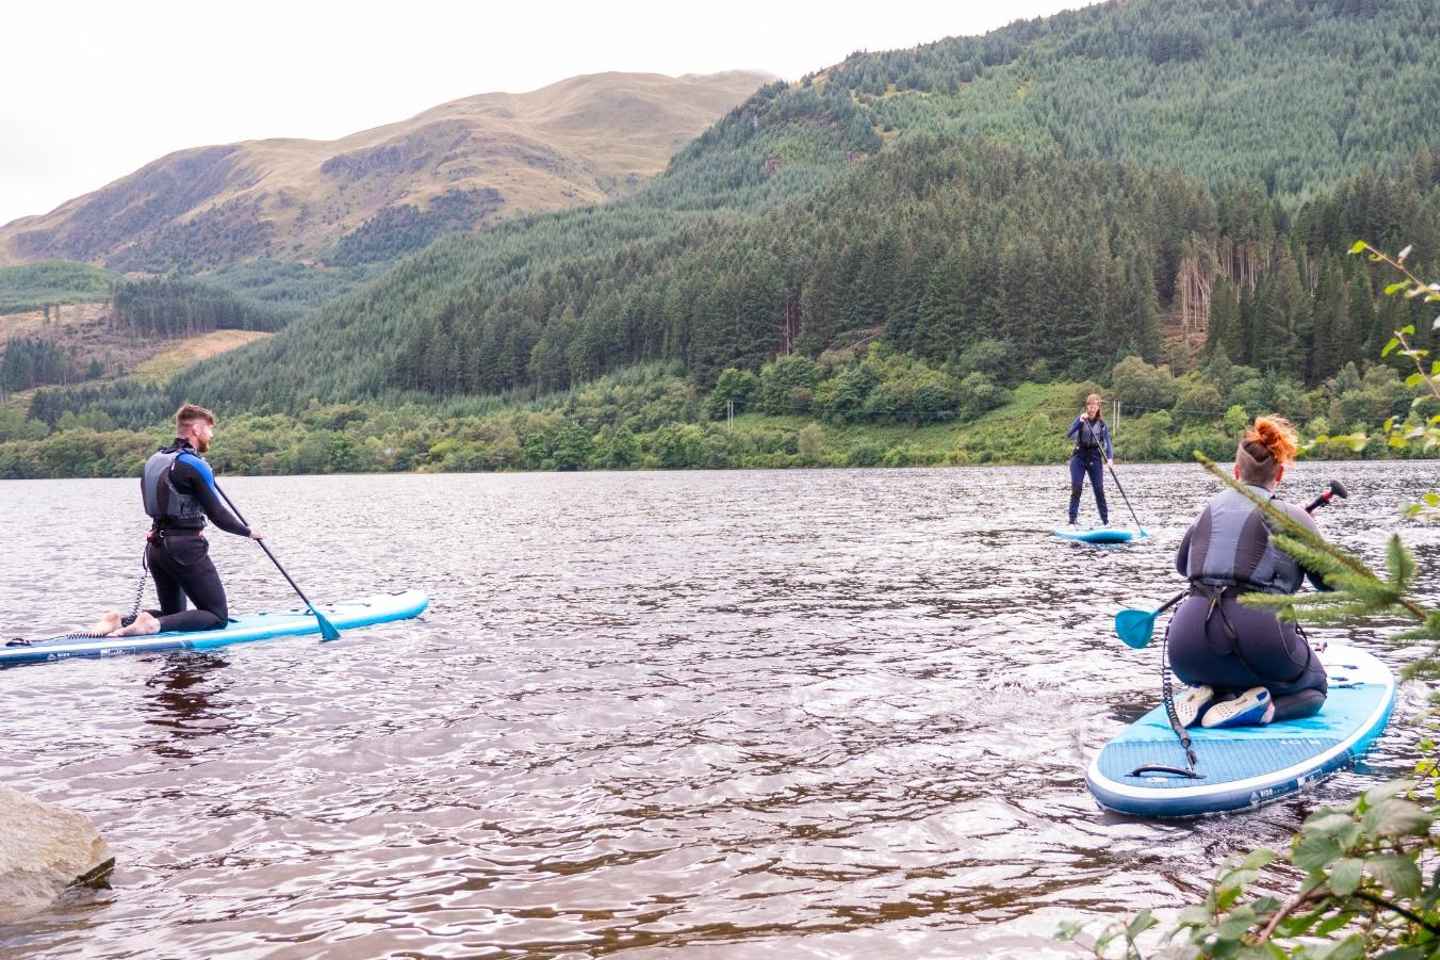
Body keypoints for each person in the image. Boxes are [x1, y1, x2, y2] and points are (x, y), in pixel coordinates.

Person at [1167, 416, 1328, 728]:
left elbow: (1181, 565)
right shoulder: (1294, 517)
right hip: (1259, 637)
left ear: (1236, 472)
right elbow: (1330, 584)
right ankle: (1264, 710)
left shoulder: (1208, 511)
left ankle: (1208, 693)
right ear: (1279, 474)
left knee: (1217, 670)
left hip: (1186, 647)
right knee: (1315, 687)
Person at [92, 404, 262, 638]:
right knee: (216, 616)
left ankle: (118, 620)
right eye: (209, 430)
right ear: (195, 429)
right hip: (185, 548)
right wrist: (248, 531)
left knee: (174, 613)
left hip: (156, 547)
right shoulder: (194, 464)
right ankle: (150, 625)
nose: (211, 435)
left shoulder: (154, 460)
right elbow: (218, 515)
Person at [1066, 393, 1112, 527]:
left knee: (1099, 489)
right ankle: (1072, 521)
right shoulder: (1081, 419)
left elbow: (1108, 442)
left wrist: (1110, 458)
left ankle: (1105, 522)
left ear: (1098, 407)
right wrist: (1080, 422)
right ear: (1087, 407)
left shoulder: (1102, 424)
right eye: (1090, 406)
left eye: (1095, 406)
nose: (1092, 409)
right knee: (1077, 487)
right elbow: (1069, 434)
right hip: (1079, 456)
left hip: (1094, 456)